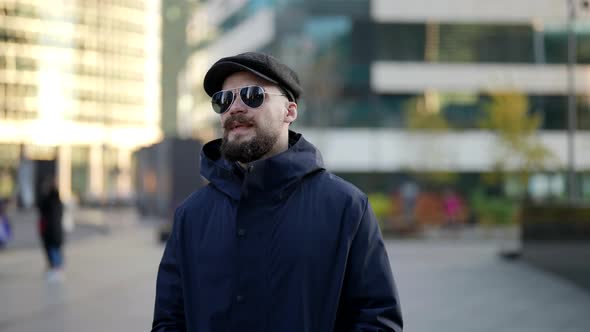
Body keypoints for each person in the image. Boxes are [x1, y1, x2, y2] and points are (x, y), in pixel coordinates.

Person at [152, 52, 403, 332]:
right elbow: (169, 321)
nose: (234, 108)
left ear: (290, 111)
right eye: (223, 100)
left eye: (252, 95)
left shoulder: (347, 207)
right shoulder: (191, 215)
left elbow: (377, 320)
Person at [37, 177, 65, 282]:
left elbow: (41, 207)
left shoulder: (49, 202)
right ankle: (57, 269)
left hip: (51, 232)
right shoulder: (58, 202)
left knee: (53, 250)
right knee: (55, 250)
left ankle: (56, 269)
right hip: (55, 232)